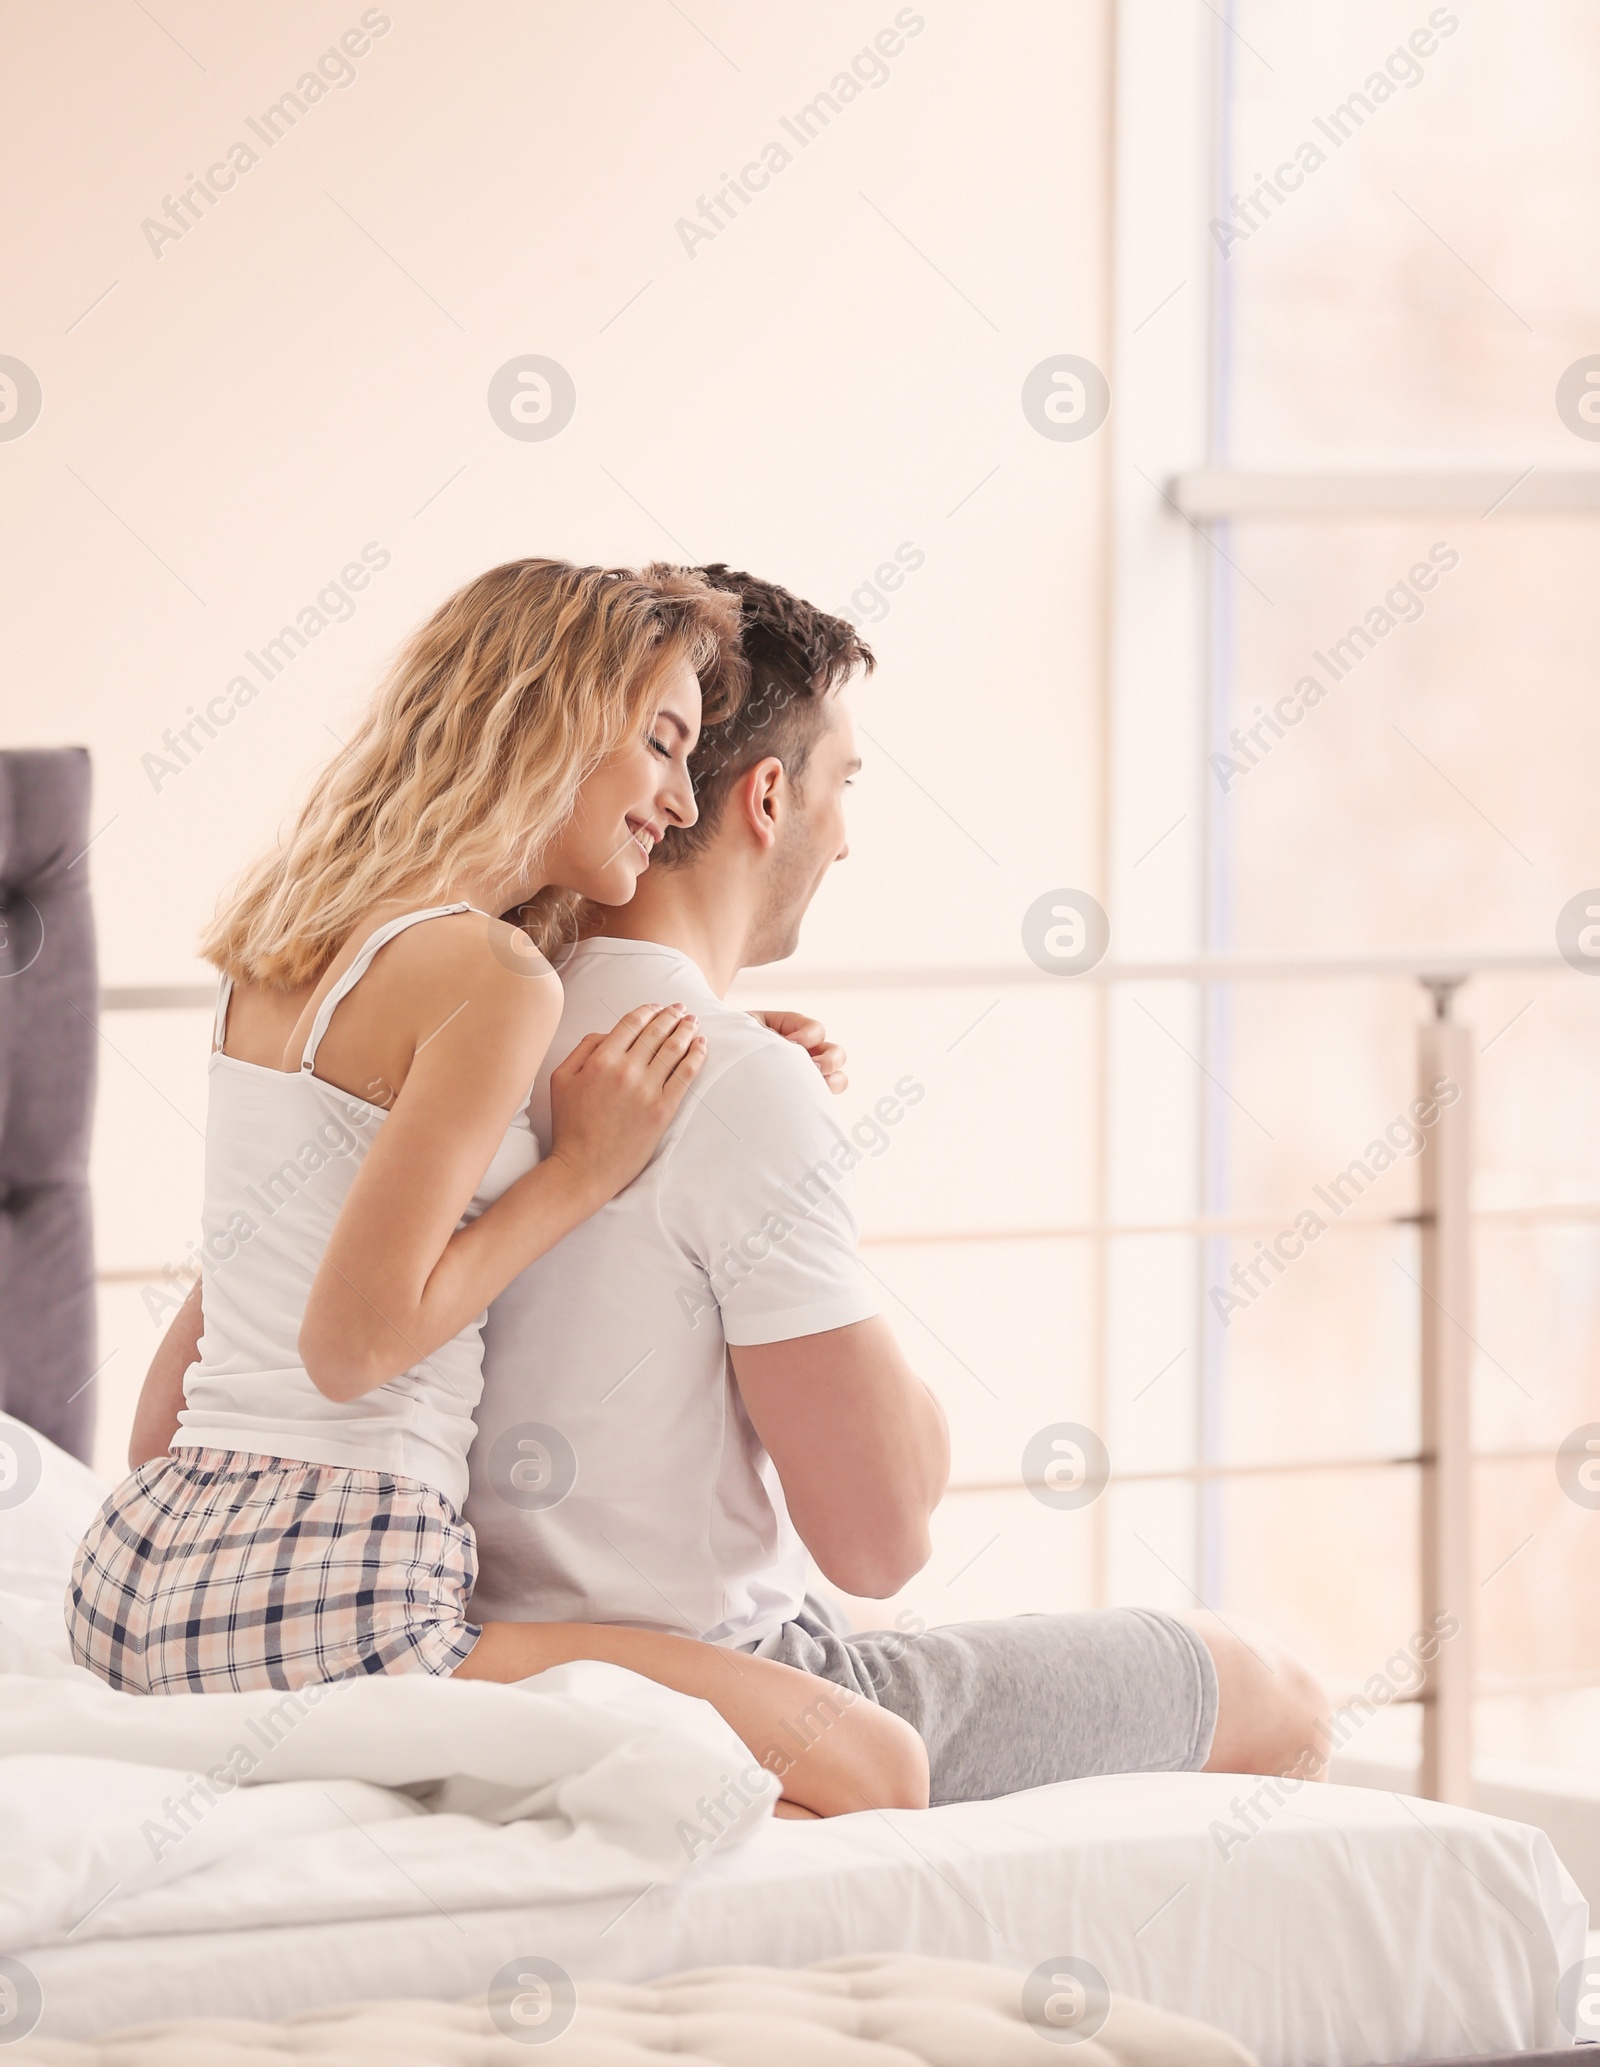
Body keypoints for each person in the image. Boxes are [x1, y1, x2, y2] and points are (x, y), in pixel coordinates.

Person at [465, 565, 1331, 1806]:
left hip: (490, 1652)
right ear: (768, 797)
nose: (845, 836)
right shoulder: (733, 1080)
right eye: (843, 784)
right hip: (728, 1687)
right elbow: (880, 1540)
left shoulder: (467, 1018)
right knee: (1276, 1689)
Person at [86, 558, 930, 1821]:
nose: (674, 800)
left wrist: (726, 1048)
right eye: (659, 745)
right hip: (340, 1598)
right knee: (877, 1766)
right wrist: (585, 1169)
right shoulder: (497, 981)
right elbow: (348, 1347)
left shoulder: (289, 954)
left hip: (141, 1570)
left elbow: (170, 1417)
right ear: (550, 723)